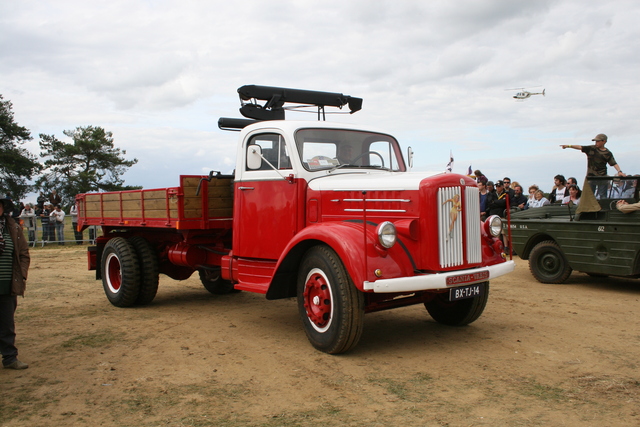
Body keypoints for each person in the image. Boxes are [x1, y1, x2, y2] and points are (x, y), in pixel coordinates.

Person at [0, 194, 31, 369]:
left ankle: (10, 358)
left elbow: (23, 254)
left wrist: (22, 274)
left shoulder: (13, 227)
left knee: (7, 323)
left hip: (7, 284)